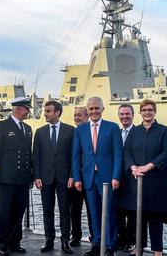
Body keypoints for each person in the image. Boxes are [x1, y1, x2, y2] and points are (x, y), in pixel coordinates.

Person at [120, 99, 167, 256]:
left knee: (155, 218)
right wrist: (133, 167)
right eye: (144, 110)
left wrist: (149, 166)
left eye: (150, 109)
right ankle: (139, 247)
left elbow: (166, 152)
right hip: (137, 181)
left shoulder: (163, 131)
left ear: (154, 111)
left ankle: (157, 250)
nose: (147, 112)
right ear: (140, 112)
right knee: (138, 217)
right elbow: (126, 152)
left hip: (156, 182)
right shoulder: (134, 131)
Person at [72, 97, 123, 256]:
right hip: (88, 178)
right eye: (91, 108)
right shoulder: (80, 130)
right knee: (93, 212)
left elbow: (118, 155)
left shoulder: (112, 127)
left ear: (102, 109)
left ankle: (110, 245)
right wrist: (77, 178)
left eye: (97, 108)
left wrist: (116, 176)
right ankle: (96, 243)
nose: (94, 111)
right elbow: (76, 156)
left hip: (108, 178)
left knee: (109, 212)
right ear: (87, 110)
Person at [0, 97, 34, 255]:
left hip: (22, 178)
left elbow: (28, 154)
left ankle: (15, 242)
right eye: (27, 109)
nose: (28, 112)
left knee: (18, 211)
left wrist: (31, 176)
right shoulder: (2, 126)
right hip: (6, 178)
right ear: (18, 109)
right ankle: (2, 243)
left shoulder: (28, 129)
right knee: (4, 211)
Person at [33, 101, 75, 254]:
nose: (45, 113)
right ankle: (49, 240)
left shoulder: (71, 131)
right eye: (45, 111)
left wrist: (72, 175)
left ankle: (65, 242)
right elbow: (35, 156)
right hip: (45, 178)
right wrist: (36, 176)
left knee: (65, 211)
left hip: (65, 179)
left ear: (57, 112)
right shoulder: (40, 132)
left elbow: (74, 156)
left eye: (48, 111)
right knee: (47, 211)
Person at [70, 106, 94, 248]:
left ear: (87, 116)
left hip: (91, 178)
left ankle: (95, 237)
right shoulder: (72, 133)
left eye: (79, 115)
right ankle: (76, 237)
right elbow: (70, 158)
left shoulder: (93, 132)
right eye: (75, 115)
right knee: (74, 210)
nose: (77, 117)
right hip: (75, 178)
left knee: (93, 210)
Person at [116, 104, 136, 252]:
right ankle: (120, 239)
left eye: (127, 114)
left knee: (133, 213)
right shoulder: (116, 132)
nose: (124, 117)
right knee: (118, 212)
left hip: (133, 178)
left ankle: (131, 241)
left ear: (133, 115)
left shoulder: (138, 132)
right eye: (122, 114)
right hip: (118, 177)